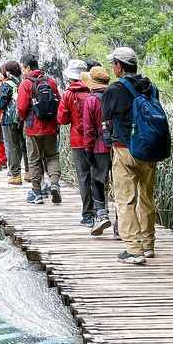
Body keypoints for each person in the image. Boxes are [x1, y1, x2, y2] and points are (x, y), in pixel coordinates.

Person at [102, 45, 157, 265]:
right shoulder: (150, 87)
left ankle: (134, 250)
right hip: (150, 149)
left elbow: (106, 120)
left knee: (125, 200)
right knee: (146, 197)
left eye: (113, 63)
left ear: (119, 66)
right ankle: (148, 244)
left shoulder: (114, 90)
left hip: (124, 148)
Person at [17, 53, 62, 205]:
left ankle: (37, 194)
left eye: (23, 68)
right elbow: (58, 101)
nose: (22, 71)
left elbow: (22, 107)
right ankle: (54, 184)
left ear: (28, 68)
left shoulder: (26, 84)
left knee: (34, 160)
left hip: (32, 128)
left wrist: (23, 119)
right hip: (50, 126)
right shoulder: (50, 81)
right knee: (52, 156)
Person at [57, 60, 95, 226]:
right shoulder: (94, 90)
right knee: (99, 176)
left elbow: (62, 119)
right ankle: (102, 211)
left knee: (84, 177)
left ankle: (87, 214)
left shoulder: (68, 94)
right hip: (97, 141)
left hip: (78, 141)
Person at [81, 65, 113, 235]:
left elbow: (89, 129)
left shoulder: (91, 100)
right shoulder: (115, 96)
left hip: (99, 147)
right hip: (118, 147)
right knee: (119, 185)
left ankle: (102, 216)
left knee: (97, 181)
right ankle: (121, 225)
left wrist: (88, 150)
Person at [0, 61, 25, 185]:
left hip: (9, 118)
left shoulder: (6, 84)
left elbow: (1, 104)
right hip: (21, 117)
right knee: (21, 144)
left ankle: (15, 174)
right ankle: (28, 172)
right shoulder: (21, 82)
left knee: (11, 146)